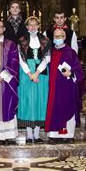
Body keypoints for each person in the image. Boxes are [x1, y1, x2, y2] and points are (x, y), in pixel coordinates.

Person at [45, 28, 84, 143]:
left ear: (65, 37)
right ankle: (54, 135)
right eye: (55, 37)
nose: (58, 39)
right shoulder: (50, 52)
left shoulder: (70, 52)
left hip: (68, 87)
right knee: (54, 108)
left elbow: (79, 71)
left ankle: (68, 135)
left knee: (68, 108)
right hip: (53, 88)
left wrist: (71, 73)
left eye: (60, 36)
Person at [17, 16, 51, 144]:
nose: (32, 27)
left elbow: (47, 58)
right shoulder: (22, 41)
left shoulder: (45, 40)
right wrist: (29, 73)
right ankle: (29, 134)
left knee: (39, 101)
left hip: (41, 73)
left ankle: (36, 135)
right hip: (26, 73)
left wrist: (37, 72)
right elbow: (20, 59)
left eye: (35, 25)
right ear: (27, 27)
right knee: (27, 101)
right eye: (30, 25)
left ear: (38, 26)